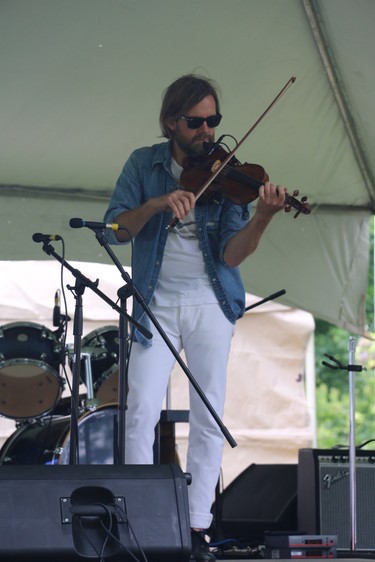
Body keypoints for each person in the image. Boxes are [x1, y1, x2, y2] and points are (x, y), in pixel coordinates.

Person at [103, 74, 286, 561]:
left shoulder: (228, 176)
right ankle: (135, 517)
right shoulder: (144, 164)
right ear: (172, 123)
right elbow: (116, 229)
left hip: (211, 302)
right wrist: (158, 203)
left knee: (209, 414)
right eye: (196, 122)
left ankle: (197, 523)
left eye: (213, 121)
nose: (207, 131)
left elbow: (230, 255)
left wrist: (263, 218)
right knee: (140, 409)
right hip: (154, 301)